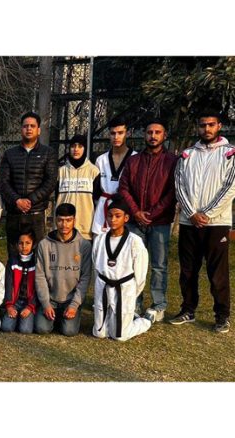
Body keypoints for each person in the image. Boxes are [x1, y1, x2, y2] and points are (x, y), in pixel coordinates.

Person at [170, 109, 235, 333]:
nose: (206, 129)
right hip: (190, 223)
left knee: (217, 272)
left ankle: (222, 315)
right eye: (202, 125)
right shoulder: (188, 154)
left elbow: (230, 188)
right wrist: (192, 213)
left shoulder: (230, 153)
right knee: (188, 270)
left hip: (216, 223)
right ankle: (188, 310)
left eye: (211, 125)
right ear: (197, 127)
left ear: (219, 126)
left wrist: (206, 214)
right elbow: (179, 185)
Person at [118, 118, 178, 322]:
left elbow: (172, 192)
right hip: (135, 221)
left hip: (159, 222)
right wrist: (135, 212)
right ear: (145, 135)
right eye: (149, 132)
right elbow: (124, 187)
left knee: (159, 265)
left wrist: (151, 214)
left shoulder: (172, 161)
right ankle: (134, 302)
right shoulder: (133, 161)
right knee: (135, 263)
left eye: (157, 132)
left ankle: (158, 305)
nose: (153, 136)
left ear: (164, 135)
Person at [92, 196, 152, 341]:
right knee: (99, 333)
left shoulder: (134, 241)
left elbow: (141, 273)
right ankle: (117, 318)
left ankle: (146, 320)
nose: (113, 219)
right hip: (104, 286)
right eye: (110, 216)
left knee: (120, 336)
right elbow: (96, 264)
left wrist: (132, 293)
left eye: (117, 216)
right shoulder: (100, 239)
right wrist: (99, 285)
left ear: (126, 218)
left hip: (125, 289)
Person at [0, 112, 58, 256]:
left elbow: (50, 182)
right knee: (14, 256)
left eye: (32, 126)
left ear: (38, 130)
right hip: (14, 214)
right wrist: (17, 201)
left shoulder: (48, 153)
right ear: (21, 129)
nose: (29, 129)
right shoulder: (9, 154)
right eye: (25, 126)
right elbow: (3, 182)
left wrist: (30, 201)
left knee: (38, 257)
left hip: (36, 214)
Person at [34, 203, 91, 336]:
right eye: (60, 220)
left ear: (74, 220)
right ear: (55, 220)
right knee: (42, 329)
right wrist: (46, 304)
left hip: (70, 300)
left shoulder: (84, 245)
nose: (64, 225)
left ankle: (67, 316)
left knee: (69, 332)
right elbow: (40, 276)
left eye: (68, 220)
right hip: (51, 299)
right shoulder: (44, 244)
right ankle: (54, 315)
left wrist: (74, 305)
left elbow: (85, 277)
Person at [91, 117, 136, 236]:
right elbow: (95, 191)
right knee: (100, 247)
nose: (116, 137)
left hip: (125, 207)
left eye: (120, 133)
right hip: (103, 208)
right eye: (113, 133)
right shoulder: (101, 160)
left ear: (128, 133)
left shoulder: (136, 158)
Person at [56, 134, 100, 240]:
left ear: (85, 148)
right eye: (73, 146)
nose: (76, 149)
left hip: (85, 230)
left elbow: (97, 200)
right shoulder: (61, 171)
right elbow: (56, 198)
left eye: (80, 146)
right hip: (64, 229)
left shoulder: (93, 171)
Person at [1, 226, 37, 334]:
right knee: (7, 328)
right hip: (15, 302)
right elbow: (8, 284)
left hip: (29, 303)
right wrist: (9, 305)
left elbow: (38, 288)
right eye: (21, 243)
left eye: (28, 243)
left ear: (33, 244)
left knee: (25, 330)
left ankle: (25, 318)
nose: (24, 246)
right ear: (17, 245)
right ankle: (12, 316)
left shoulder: (37, 262)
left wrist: (30, 307)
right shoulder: (12, 261)